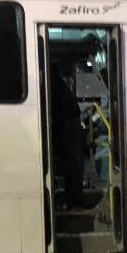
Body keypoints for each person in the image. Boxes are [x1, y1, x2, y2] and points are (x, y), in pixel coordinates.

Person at [50, 62, 86, 208]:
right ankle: (74, 198)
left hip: (68, 126)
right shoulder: (60, 85)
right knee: (73, 163)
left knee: (70, 164)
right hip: (72, 124)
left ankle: (74, 200)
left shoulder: (53, 87)